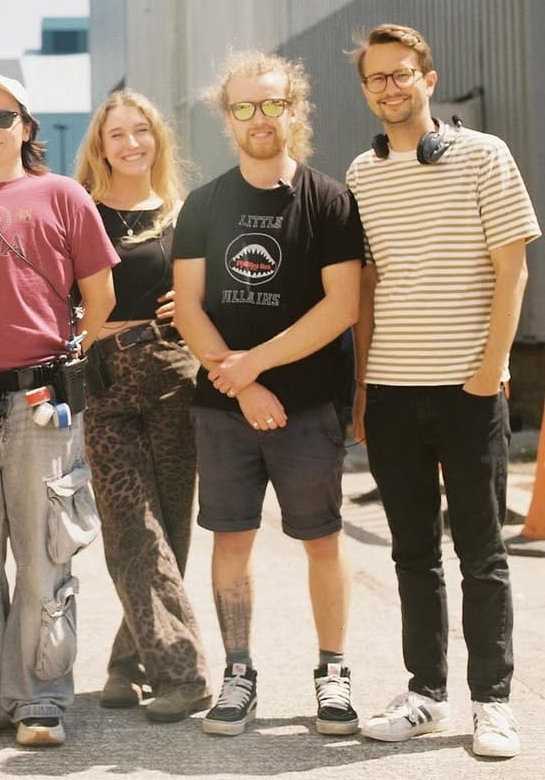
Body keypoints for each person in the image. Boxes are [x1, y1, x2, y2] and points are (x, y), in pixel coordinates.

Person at [346, 24, 539, 759]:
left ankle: (492, 702)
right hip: (392, 388)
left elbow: (511, 267)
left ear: (429, 77)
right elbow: (366, 287)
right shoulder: (361, 174)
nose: (390, 87)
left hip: (468, 387)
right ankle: (426, 692)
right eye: (376, 79)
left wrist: (489, 371)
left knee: (482, 552)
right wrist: (362, 388)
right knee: (412, 553)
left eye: (402, 74)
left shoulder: (485, 156)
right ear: (366, 91)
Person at [173, 51, 363, 738]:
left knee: (322, 540)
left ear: (295, 108)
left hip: (310, 405)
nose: (260, 117)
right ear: (228, 117)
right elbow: (189, 307)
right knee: (232, 538)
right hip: (224, 406)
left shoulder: (330, 199)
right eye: (245, 106)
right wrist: (241, 380)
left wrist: (256, 366)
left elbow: (341, 306)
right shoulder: (205, 203)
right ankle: (239, 673)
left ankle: (334, 675)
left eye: (273, 103)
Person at [0, 74, 117, 748]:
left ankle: (39, 695)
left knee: (44, 552)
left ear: (28, 126)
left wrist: (64, 361)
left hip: (43, 402)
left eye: (5, 115)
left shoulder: (64, 195)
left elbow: (100, 296)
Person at [74, 90, 210, 722]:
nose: (130, 143)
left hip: (176, 379)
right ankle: (183, 673)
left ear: (158, 138)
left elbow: (224, 295)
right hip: (105, 387)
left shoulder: (190, 214)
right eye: (116, 134)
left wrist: (193, 305)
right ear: (99, 147)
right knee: (132, 527)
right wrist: (81, 321)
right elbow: (48, 293)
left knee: (172, 528)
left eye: (141, 131)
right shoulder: (81, 213)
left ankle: (130, 661)